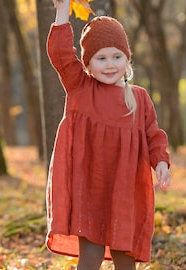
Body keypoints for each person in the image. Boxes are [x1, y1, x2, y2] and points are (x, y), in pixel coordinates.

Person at [46, 0, 171, 269]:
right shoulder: (80, 88)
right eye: (101, 58)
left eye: (117, 56)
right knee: (89, 258)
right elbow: (60, 54)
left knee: (125, 259)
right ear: (88, 64)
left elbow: (154, 135)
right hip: (90, 192)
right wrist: (62, 11)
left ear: (127, 59)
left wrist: (161, 162)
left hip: (126, 192)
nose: (110, 64)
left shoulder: (139, 98)